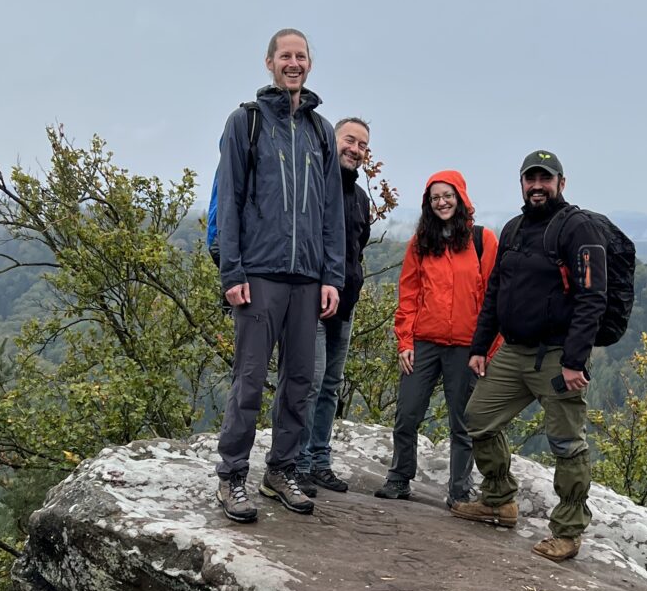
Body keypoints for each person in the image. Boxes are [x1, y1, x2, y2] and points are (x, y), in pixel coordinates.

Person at [213, 28, 345, 522]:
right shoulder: (245, 123)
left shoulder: (321, 131)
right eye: (285, 56)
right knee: (249, 380)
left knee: (300, 381)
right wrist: (233, 271)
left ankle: (281, 471)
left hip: (308, 278)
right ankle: (231, 477)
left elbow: (331, 210)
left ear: (310, 64)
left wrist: (331, 275)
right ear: (269, 62)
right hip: (259, 274)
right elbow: (230, 201)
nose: (294, 63)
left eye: (301, 56)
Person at [454, 150, 606, 562]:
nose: (537, 186)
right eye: (530, 179)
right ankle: (499, 500)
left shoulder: (579, 229)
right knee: (478, 419)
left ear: (561, 182)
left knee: (567, 445)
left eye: (546, 179)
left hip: (557, 358)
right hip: (513, 352)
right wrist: (480, 347)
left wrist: (576, 360)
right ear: (522, 183)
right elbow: (495, 292)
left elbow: (593, 299)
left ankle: (569, 532)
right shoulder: (515, 228)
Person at [375, 170, 498, 507]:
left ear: (461, 197)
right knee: (407, 413)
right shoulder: (421, 241)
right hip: (424, 342)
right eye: (435, 198)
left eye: (448, 195)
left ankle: (459, 491)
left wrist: (487, 348)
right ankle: (399, 478)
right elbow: (409, 293)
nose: (442, 202)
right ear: (428, 204)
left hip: (467, 348)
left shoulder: (482, 240)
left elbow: (494, 297)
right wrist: (405, 342)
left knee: (463, 423)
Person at [295, 116, 372, 495]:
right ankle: (299, 463)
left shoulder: (359, 198)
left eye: (362, 146)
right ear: (332, 140)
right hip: (313, 302)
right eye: (350, 140)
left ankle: (320, 460)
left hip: (346, 304)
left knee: (330, 386)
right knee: (309, 382)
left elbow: (358, 247)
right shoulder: (313, 185)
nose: (355, 150)